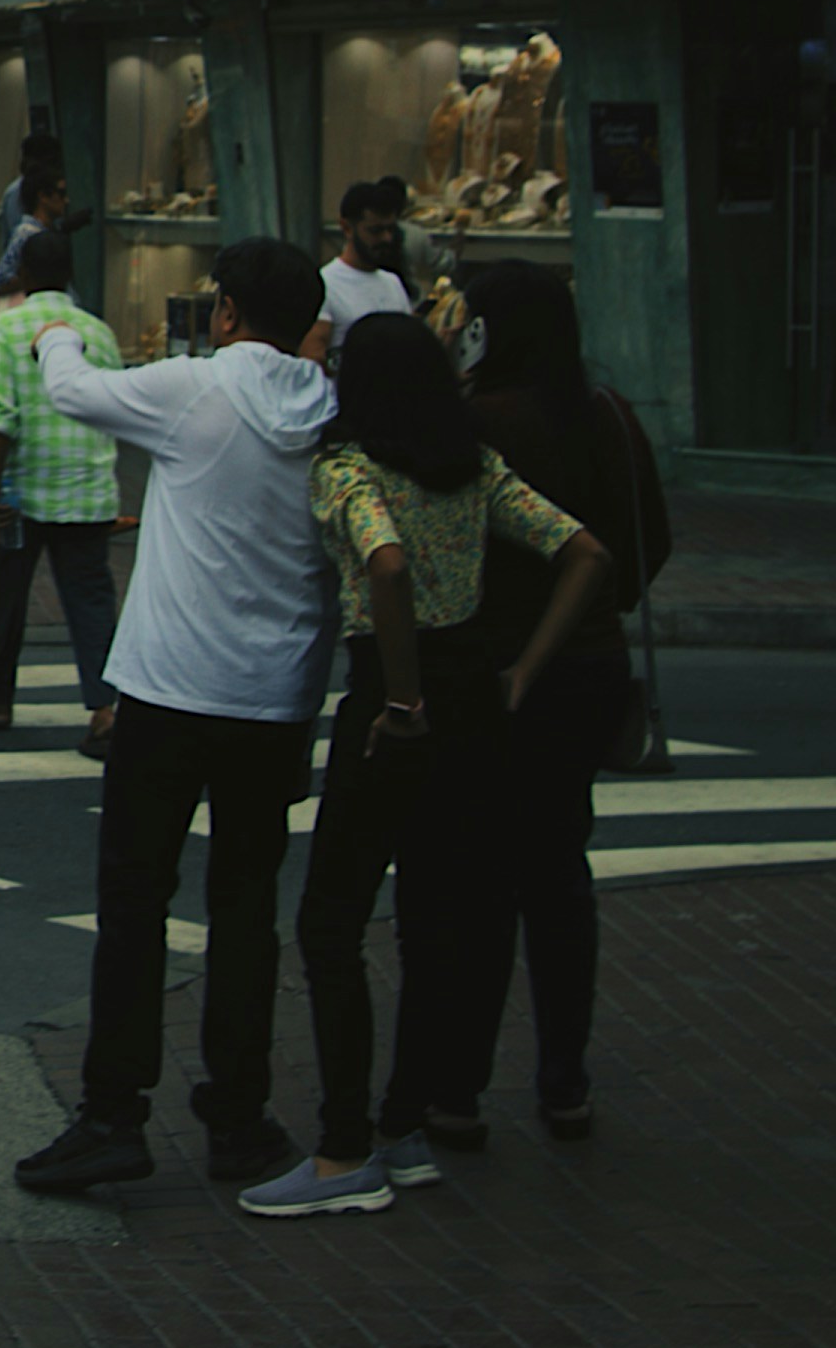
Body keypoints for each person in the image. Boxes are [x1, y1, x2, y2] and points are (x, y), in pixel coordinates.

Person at [251, 313, 616, 1220]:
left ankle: (342, 1151)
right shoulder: (473, 467)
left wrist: (401, 702)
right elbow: (586, 551)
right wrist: (523, 669)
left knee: (331, 921)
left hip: (395, 693)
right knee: (436, 919)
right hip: (476, 698)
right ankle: (403, 1124)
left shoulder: (349, 469)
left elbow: (384, 563)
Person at [12, 237, 342, 1199]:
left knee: (133, 903)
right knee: (245, 909)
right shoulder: (328, 409)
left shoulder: (196, 389)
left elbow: (75, 394)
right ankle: (239, 1117)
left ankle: (115, 1113)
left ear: (229, 312)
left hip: (169, 688)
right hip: (277, 696)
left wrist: (54, 336)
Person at [413, 260, 672, 1147]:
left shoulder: (476, 422)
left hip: (494, 672)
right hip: (588, 669)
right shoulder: (605, 415)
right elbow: (644, 546)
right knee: (561, 875)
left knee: (479, 883)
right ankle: (564, 1078)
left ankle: (458, 1087)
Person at [0, 225, 125, 745]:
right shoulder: (99, 332)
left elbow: (1, 418)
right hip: (86, 486)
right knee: (90, 597)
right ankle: (104, 708)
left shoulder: (7, 330)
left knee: (8, 588)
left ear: (24, 275)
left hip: (22, 489)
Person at [317, 180, 415, 360]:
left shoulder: (393, 283)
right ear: (347, 228)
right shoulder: (325, 284)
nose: (386, 238)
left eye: (390, 230)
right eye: (376, 231)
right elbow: (314, 357)